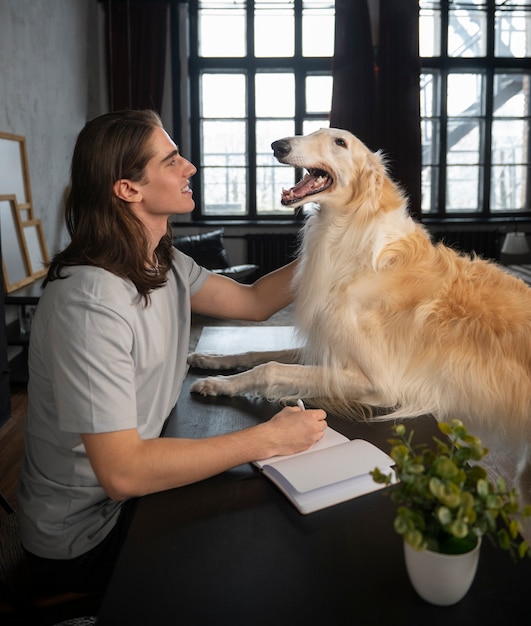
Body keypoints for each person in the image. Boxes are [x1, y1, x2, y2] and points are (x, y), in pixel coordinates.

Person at [16, 110, 327, 597]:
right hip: (85, 537)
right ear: (128, 189)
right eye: (172, 160)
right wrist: (266, 439)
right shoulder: (90, 302)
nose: (190, 167)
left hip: (132, 493)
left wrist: (339, 243)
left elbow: (253, 301)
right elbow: (123, 473)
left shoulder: (163, 260)